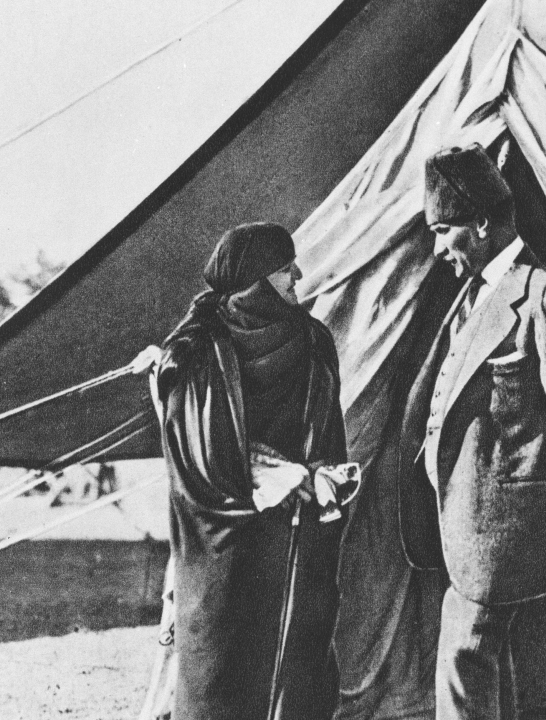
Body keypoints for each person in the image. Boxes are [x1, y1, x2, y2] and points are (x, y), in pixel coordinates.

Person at [398, 145, 546, 720]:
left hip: (504, 528)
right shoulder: (475, 290)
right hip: (467, 520)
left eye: (444, 231)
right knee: (487, 663)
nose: (438, 249)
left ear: (483, 224)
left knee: (464, 654)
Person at [150, 222, 348, 720]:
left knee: (295, 668)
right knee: (222, 671)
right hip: (224, 543)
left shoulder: (314, 341)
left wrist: (323, 475)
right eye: (285, 269)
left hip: (296, 538)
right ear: (255, 279)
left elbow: (328, 434)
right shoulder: (196, 349)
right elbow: (196, 458)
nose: (298, 275)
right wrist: (275, 477)